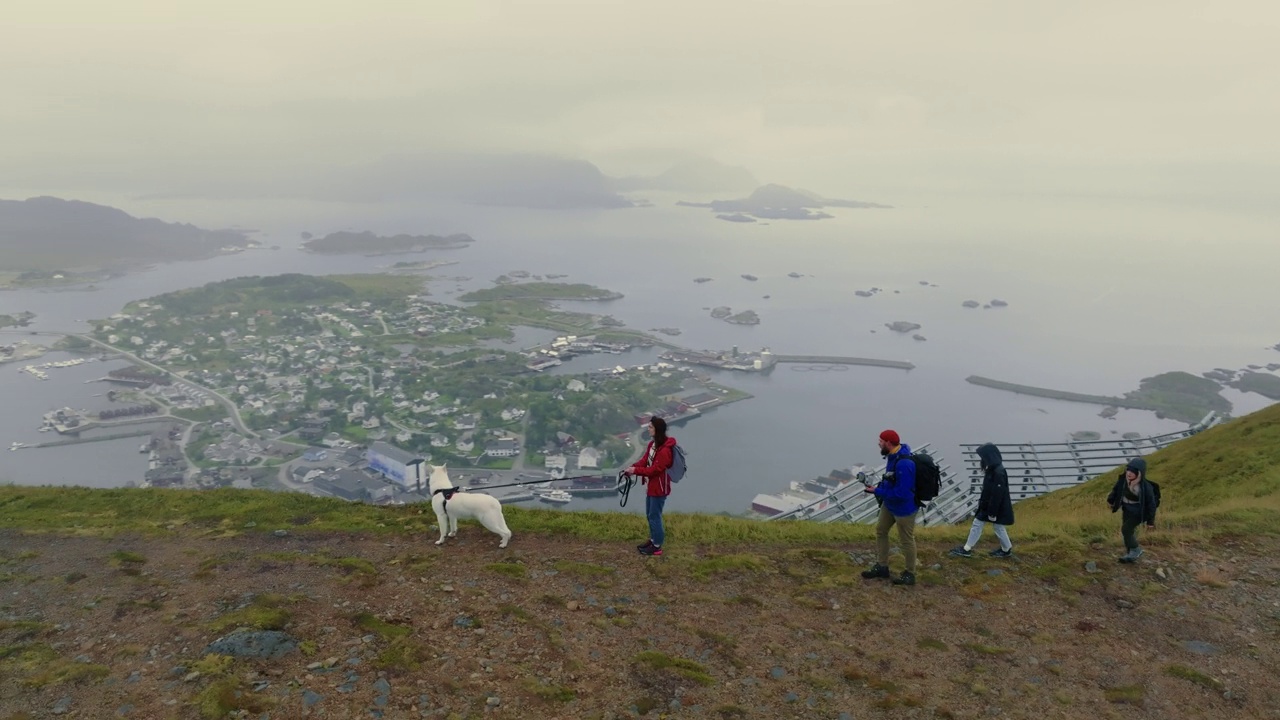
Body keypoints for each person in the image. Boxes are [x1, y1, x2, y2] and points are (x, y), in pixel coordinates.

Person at [861, 430, 918, 586]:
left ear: (888, 443)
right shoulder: (893, 456)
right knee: (881, 530)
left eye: (880, 441)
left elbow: (902, 492)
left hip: (904, 509)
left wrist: (877, 491)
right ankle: (882, 566)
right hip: (890, 504)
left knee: (906, 540)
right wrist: (879, 489)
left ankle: (910, 573)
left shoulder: (904, 464)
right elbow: (892, 482)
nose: (878, 443)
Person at [950, 443, 1015, 558]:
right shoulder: (996, 469)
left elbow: (997, 495)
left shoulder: (997, 472)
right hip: (991, 505)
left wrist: (992, 512)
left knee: (980, 524)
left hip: (992, 506)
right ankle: (1006, 549)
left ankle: (967, 549)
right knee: (996, 526)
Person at [629, 416, 676, 557]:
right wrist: (631, 468)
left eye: (650, 427)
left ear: (657, 430)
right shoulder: (652, 445)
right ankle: (653, 540)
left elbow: (654, 470)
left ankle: (657, 546)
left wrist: (635, 471)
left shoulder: (664, 451)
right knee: (650, 515)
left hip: (659, 488)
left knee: (654, 516)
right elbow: (645, 461)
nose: (648, 429)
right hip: (651, 486)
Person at [1106, 457, 1157, 563]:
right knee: (1127, 532)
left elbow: (1151, 504)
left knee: (1126, 529)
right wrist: (1111, 501)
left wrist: (1150, 522)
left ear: (1139, 473)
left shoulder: (1145, 487)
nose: (1129, 473)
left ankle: (1136, 550)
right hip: (1126, 509)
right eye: (1128, 470)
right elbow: (1116, 490)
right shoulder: (1123, 480)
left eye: (1132, 471)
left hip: (1139, 512)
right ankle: (1130, 554)